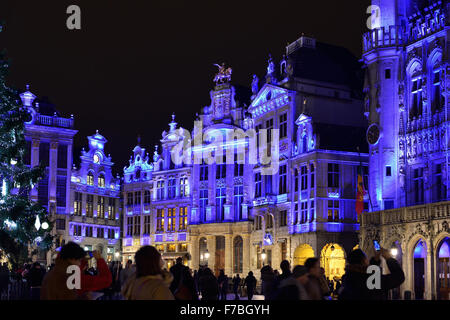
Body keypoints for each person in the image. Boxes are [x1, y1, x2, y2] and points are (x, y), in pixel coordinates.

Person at [338, 248, 405, 300]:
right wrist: (389, 258)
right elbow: (399, 277)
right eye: (366, 259)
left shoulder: (347, 277)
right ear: (363, 261)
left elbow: (366, 277)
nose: (368, 261)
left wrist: (375, 261)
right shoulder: (372, 281)